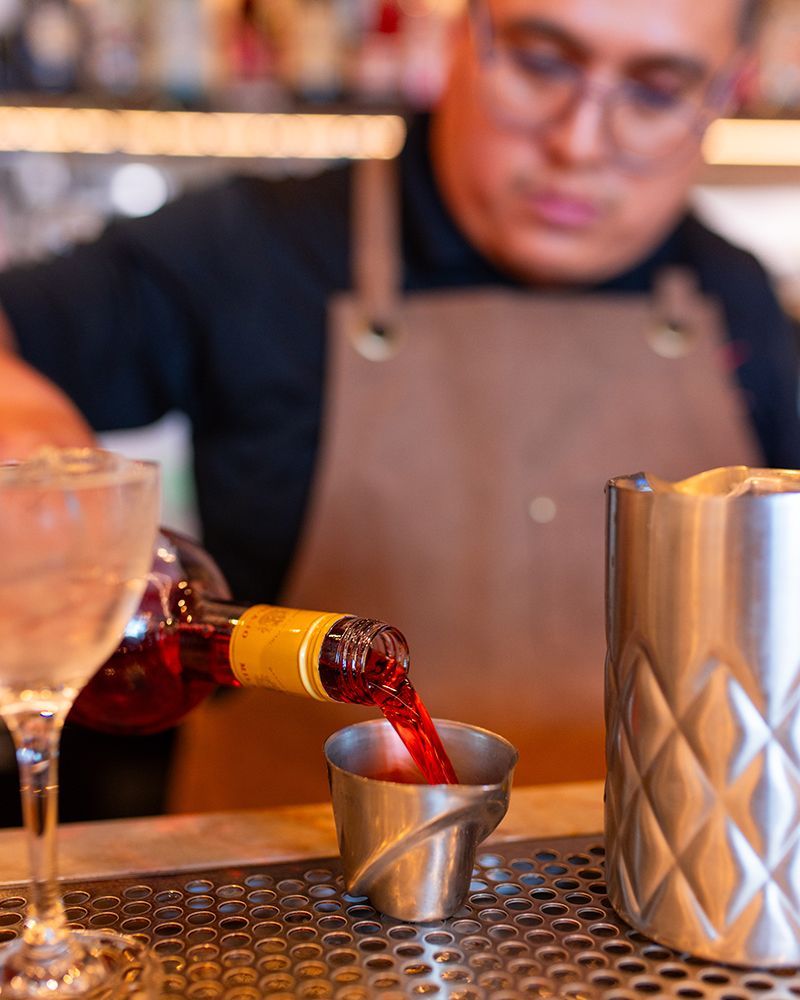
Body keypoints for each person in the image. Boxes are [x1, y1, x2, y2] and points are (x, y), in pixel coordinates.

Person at [0, 0, 797, 819]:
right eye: (541, 62)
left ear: (726, 93)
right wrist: (22, 426)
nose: (579, 142)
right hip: (291, 913)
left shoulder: (737, 300)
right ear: (460, 38)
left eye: (657, 91)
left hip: (633, 907)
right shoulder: (253, 249)